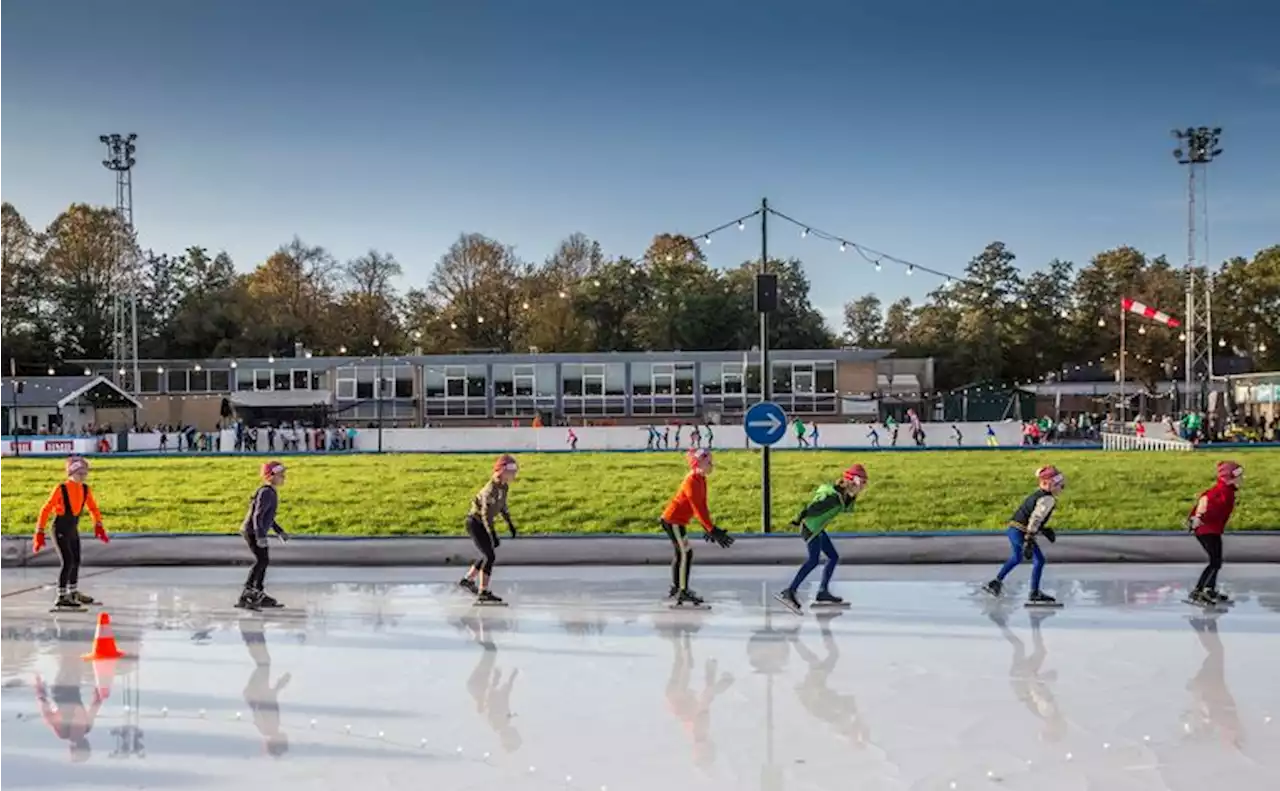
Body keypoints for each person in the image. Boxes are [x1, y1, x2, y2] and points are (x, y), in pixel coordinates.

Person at [774, 464, 867, 614]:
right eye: (861, 483)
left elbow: (845, 508)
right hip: (810, 529)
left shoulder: (841, 495)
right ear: (852, 481)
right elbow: (814, 506)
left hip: (817, 528)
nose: (863, 487)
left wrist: (852, 495)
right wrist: (798, 518)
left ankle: (823, 592)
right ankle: (789, 591)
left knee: (833, 557)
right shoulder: (832, 497)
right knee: (813, 560)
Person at [659, 448, 734, 606]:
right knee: (685, 554)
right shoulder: (692, 480)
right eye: (708, 462)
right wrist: (711, 529)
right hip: (672, 521)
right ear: (698, 463)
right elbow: (697, 508)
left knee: (684, 553)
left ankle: (677, 588)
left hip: (678, 521)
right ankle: (682, 591)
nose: (711, 465)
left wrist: (709, 528)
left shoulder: (701, 479)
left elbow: (703, 506)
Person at [34, 456, 109, 610]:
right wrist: (39, 531)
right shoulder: (61, 488)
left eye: (85, 473)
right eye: (80, 473)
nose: (83, 476)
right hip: (60, 528)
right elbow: (46, 509)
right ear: (71, 472)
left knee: (76, 560)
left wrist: (98, 524)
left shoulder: (85, 489)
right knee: (67, 561)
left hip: (72, 529)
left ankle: (73, 592)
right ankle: (61, 596)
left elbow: (93, 508)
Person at [981, 466, 1064, 606]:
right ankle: (1034, 592)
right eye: (1058, 484)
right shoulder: (1048, 499)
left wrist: (1043, 530)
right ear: (1048, 484)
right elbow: (1035, 518)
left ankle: (995, 582)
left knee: (1017, 557)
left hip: (1013, 529)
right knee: (1040, 560)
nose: (1062, 487)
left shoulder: (1038, 494)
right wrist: (1029, 538)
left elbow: (1029, 514)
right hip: (1022, 532)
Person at [459, 454, 519, 604]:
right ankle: (483, 592)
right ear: (500, 471)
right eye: (510, 470)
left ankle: (467, 580)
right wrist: (492, 533)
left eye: (515, 470)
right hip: (475, 522)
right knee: (490, 556)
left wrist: (509, 523)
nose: (513, 474)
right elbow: (485, 514)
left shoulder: (504, 487)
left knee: (487, 553)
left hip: (482, 523)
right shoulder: (490, 489)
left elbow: (503, 507)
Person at [1185, 461, 1243, 606]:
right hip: (1207, 530)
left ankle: (1208, 589)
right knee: (1215, 562)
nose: (1241, 479)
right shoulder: (1222, 492)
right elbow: (1205, 503)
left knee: (1216, 561)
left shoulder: (1224, 491)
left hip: (1210, 530)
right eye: (1238, 476)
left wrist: (1195, 518)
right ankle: (1199, 591)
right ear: (1228, 477)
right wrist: (1198, 518)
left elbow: (1204, 501)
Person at [238, 461, 290, 610]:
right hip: (252, 531)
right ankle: (248, 592)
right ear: (271, 476)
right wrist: (260, 536)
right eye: (281, 474)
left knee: (263, 561)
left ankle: (257, 593)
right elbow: (258, 516)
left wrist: (279, 531)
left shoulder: (270, 492)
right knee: (262, 561)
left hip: (256, 530)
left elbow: (268, 518)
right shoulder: (266, 492)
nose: (284, 477)